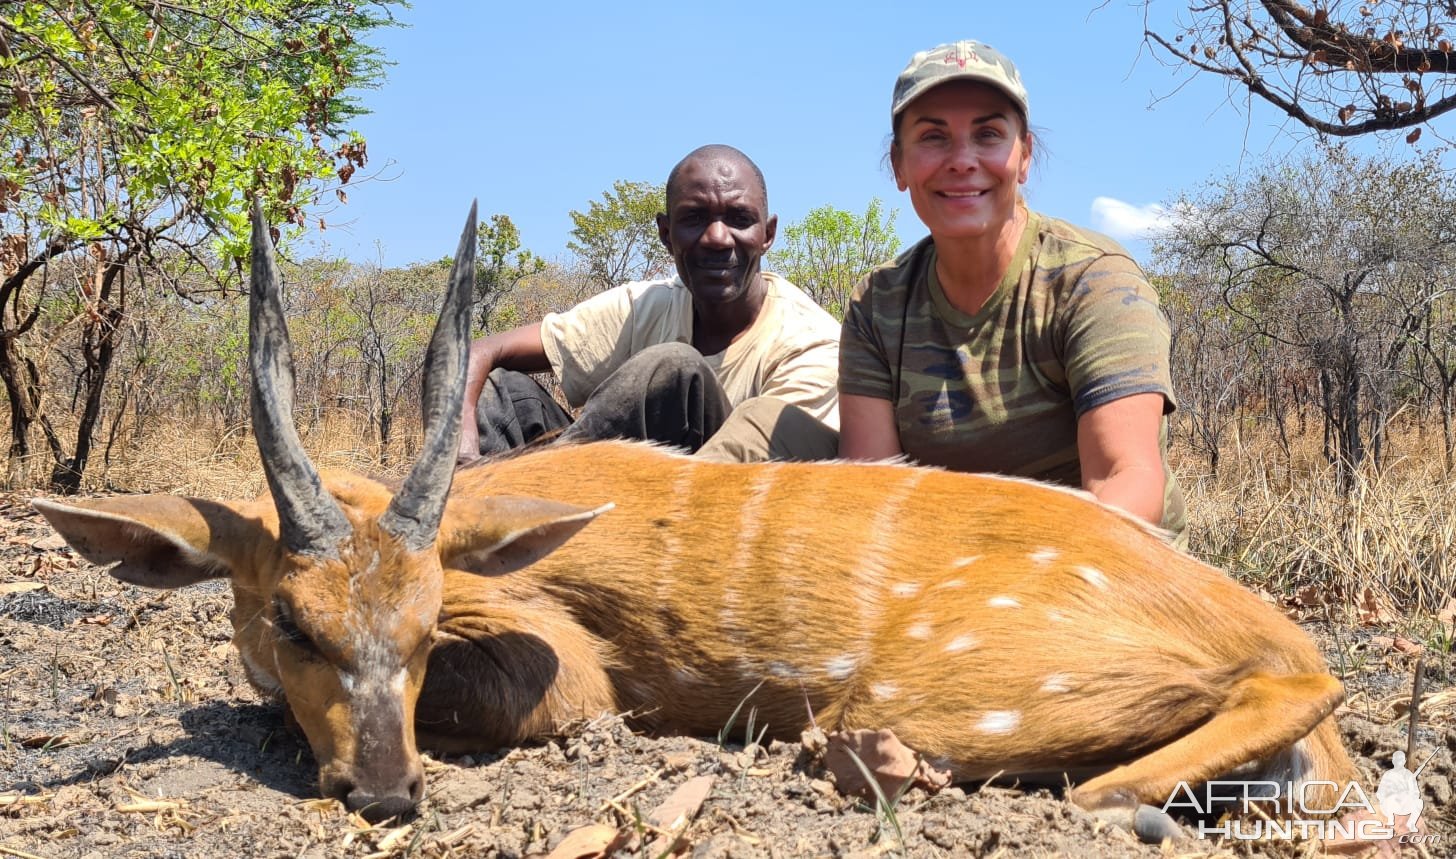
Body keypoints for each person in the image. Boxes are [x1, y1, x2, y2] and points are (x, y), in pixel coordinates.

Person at [838, 41, 1187, 540]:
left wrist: (1020, 587)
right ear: (899, 164)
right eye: (933, 137)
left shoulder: (1094, 281)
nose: (962, 161)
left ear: (1024, 156)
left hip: (1101, 571)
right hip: (941, 574)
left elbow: (1125, 482)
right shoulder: (876, 305)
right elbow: (874, 498)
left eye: (988, 135)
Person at [456, 145, 841, 466]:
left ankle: (547, 505)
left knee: (674, 370)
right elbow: (480, 351)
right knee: (498, 389)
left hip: (720, 518)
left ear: (767, 234)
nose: (718, 238)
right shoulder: (648, 306)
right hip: (618, 493)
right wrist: (463, 451)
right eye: (695, 219)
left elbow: (755, 489)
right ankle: (482, 512)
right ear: (666, 233)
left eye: (739, 219)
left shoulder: (810, 343)